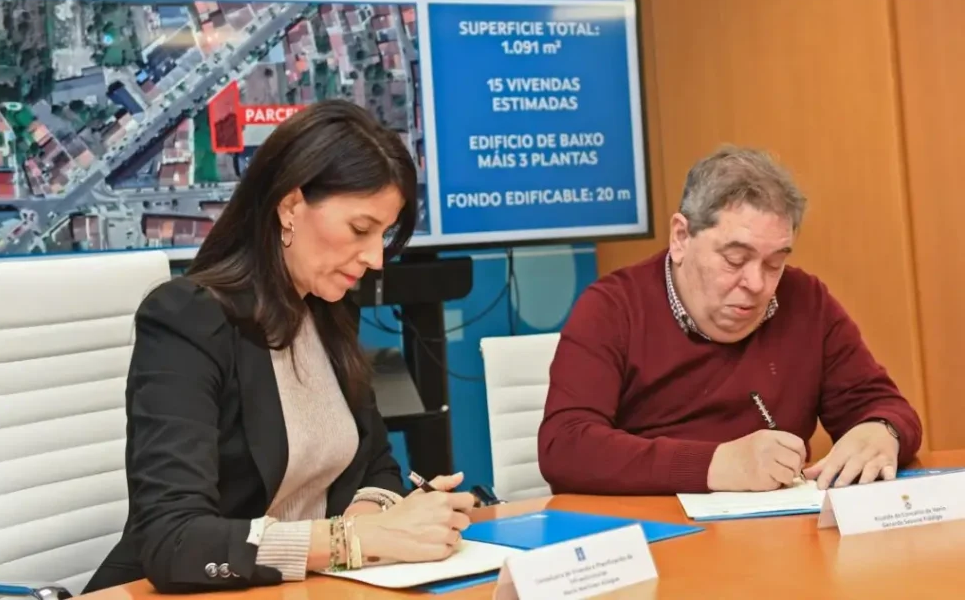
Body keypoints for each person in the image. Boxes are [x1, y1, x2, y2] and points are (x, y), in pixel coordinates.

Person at [84, 101, 474, 594]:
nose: (376, 258)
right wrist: (351, 540)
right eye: (360, 229)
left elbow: (375, 464)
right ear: (290, 206)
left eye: (384, 234)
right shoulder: (188, 318)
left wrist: (378, 519)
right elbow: (175, 541)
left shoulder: (328, 311)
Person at [538, 146, 923, 496]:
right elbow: (565, 447)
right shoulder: (612, 309)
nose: (756, 284)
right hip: (657, 532)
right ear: (681, 237)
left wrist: (881, 431)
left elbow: (884, 406)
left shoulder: (806, 301)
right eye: (735, 259)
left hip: (777, 536)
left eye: (774, 263)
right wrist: (716, 465)